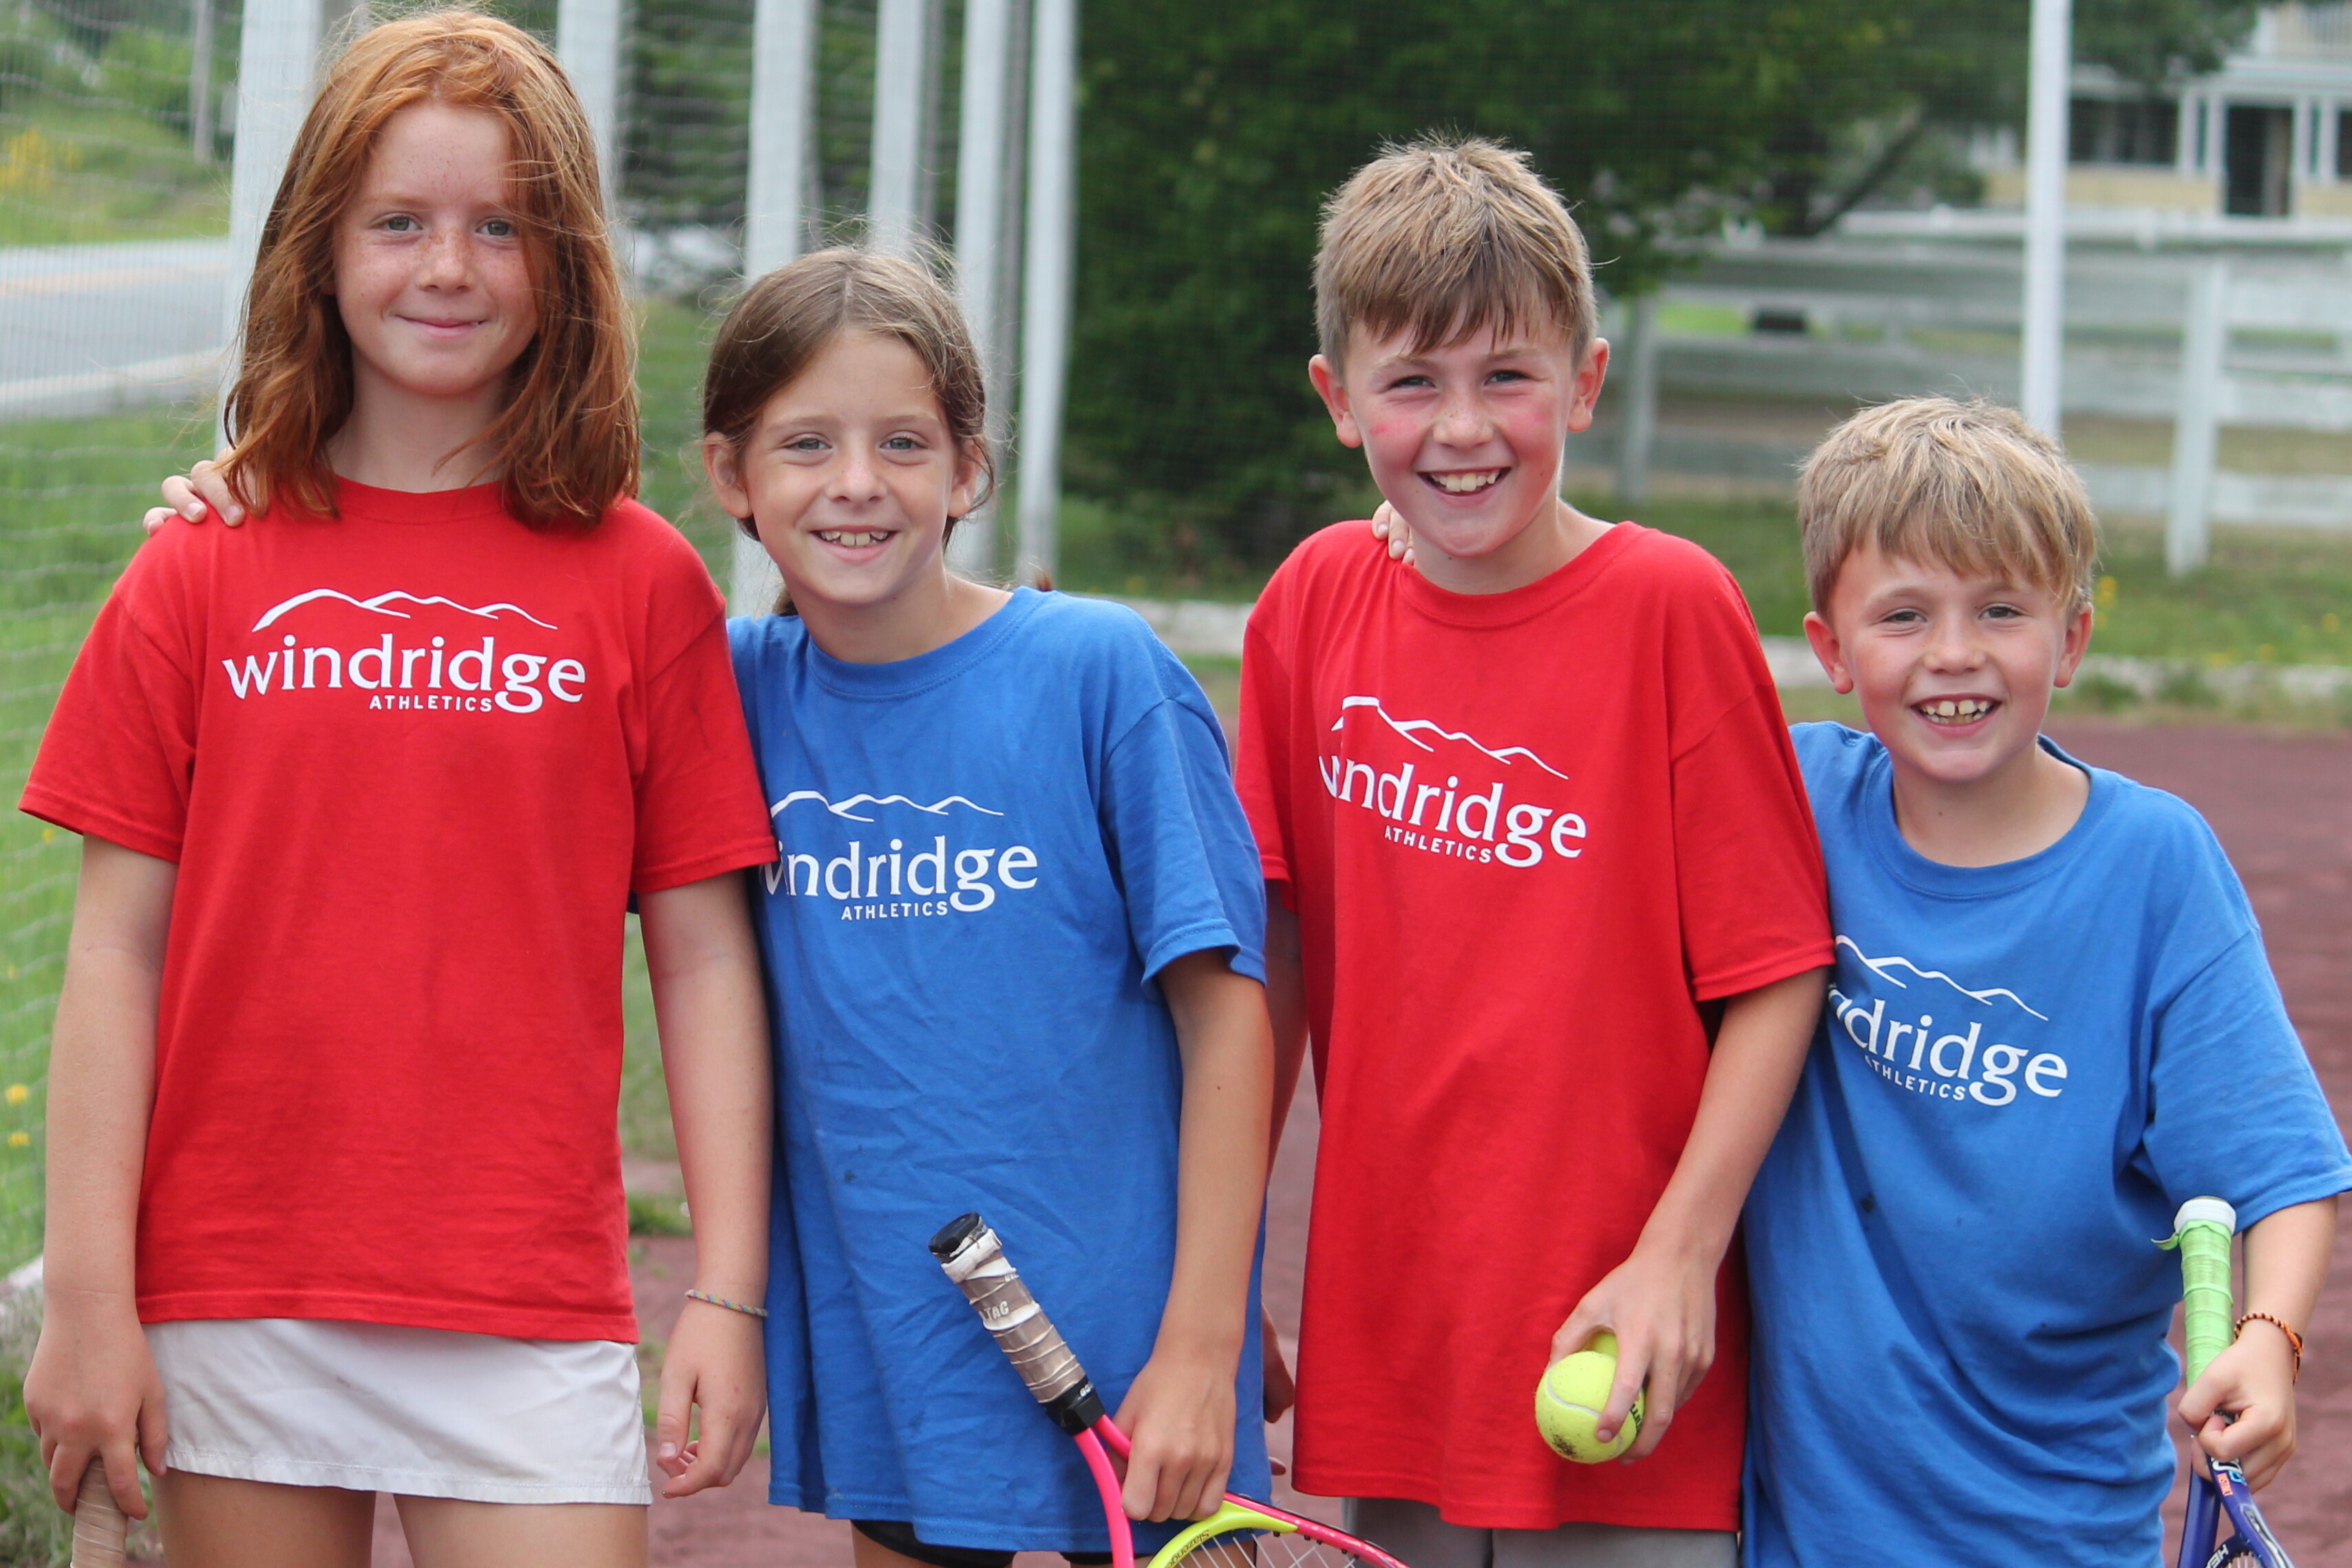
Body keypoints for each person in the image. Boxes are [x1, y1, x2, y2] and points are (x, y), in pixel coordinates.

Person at [28, 14, 777, 1565]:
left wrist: (724, 1281)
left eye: (500, 223)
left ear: (563, 260)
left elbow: (703, 955)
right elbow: (114, 952)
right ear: (320, 247)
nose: (449, 265)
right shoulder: (198, 568)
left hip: (523, 1297)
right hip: (236, 1283)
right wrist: (89, 1297)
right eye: (400, 221)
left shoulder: (641, 582)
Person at [1236, 134, 1833, 1567]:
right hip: (1397, 1337)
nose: (1461, 428)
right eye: (1410, 383)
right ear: (1336, 400)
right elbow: (1267, 962)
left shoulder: (1668, 609)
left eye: (1505, 375)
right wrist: (1221, 1269)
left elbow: (1776, 973)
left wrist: (1679, 1251)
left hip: (1627, 1333)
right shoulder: (1314, 603)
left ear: (1582, 379)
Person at [701, 248, 1275, 1568]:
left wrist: (1203, 1340)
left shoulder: (1100, 672)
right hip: (906, 1355)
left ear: (968, 470)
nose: (855, 482)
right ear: (734, 477)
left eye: (902, 441)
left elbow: (1226, 1018)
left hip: (1142, 1369)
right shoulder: (726, 691)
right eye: (805, 443)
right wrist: (260, 505)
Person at [1741, 396, 2349, 1568]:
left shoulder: (2153, 868)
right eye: (1904, 614)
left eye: (2001, 610)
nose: (1954, 653)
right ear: (1828, 650)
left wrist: (2267, 1338)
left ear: (2068, 641)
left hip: (2052, 1537)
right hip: (1797, 1534)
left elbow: (2282, 1176)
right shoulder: (1795, 796)